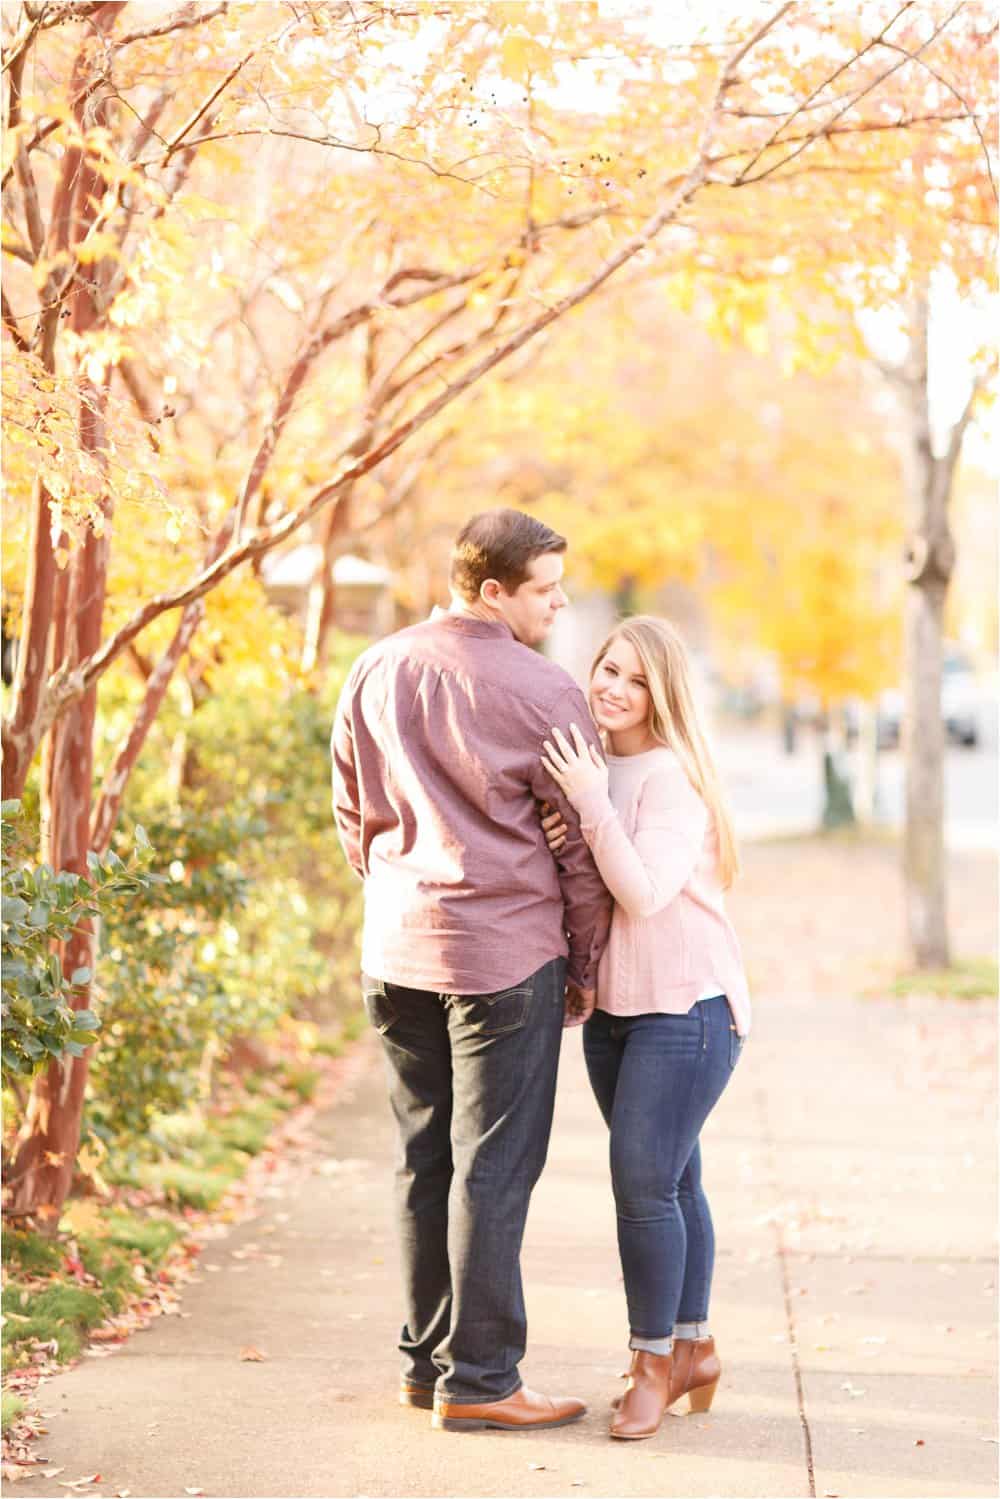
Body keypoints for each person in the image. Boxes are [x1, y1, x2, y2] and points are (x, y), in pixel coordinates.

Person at [331, 508, 613, 1433]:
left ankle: (428, 1364)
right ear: (491, 590)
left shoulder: (376, 667)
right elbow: (574, 844)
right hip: (504, 955)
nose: (559, 601)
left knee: (424, 1158)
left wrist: (396, 897)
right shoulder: (546, 692)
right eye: (544, 587)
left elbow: (350, 805)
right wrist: (587, 954)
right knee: (493, 1169)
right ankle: (484, 1380)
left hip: (398, 947)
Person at [539, 615, 750, 1441]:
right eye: (606, 670)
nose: (612, 688)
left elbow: (644, 892)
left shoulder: (669, 779)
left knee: (641, 1186)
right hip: (616, 1015)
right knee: (673, 1181)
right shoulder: (594, 768)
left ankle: (650, 1362)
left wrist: (590, 805)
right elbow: (586, 873)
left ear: (660, 694)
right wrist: (575, 816)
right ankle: (694, 1346)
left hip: (688, 1009)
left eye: (632, 678)